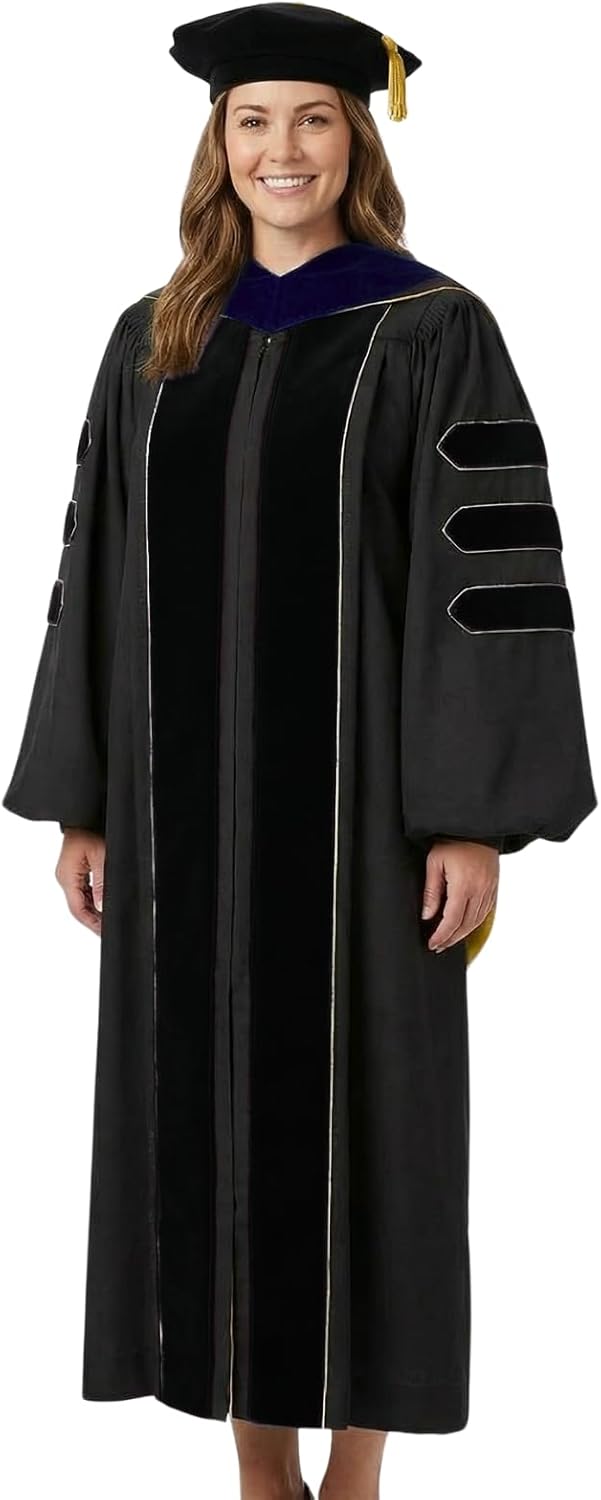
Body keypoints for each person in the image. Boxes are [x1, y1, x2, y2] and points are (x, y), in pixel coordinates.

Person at [2, 4, 597, 1499]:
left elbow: (484, 576)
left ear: (356, 140)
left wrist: (468, 816)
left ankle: (359, 1466)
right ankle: (257, 1464)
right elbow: (95, 570)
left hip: (363, 821)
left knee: (375, 1118)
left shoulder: (432, 327)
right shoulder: (153, 338)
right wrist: (84, 800)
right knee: (199, 1110)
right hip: (177, 816)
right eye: (253, 120)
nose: (282, 149)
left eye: (314, 118)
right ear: (217, 144)